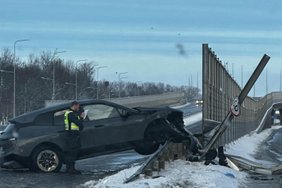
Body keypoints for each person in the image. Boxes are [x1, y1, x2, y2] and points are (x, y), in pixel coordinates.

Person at [64, 101, 84, 174]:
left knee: (71, 151)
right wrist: (82, 117)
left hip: (71, 134)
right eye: (78, 106)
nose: (78, 108)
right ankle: (71, 169)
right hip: (72, 134)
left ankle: (69, 168)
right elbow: (78, 123)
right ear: (74, 105)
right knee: (73, 151)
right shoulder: (71, 114)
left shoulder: (70, 113)